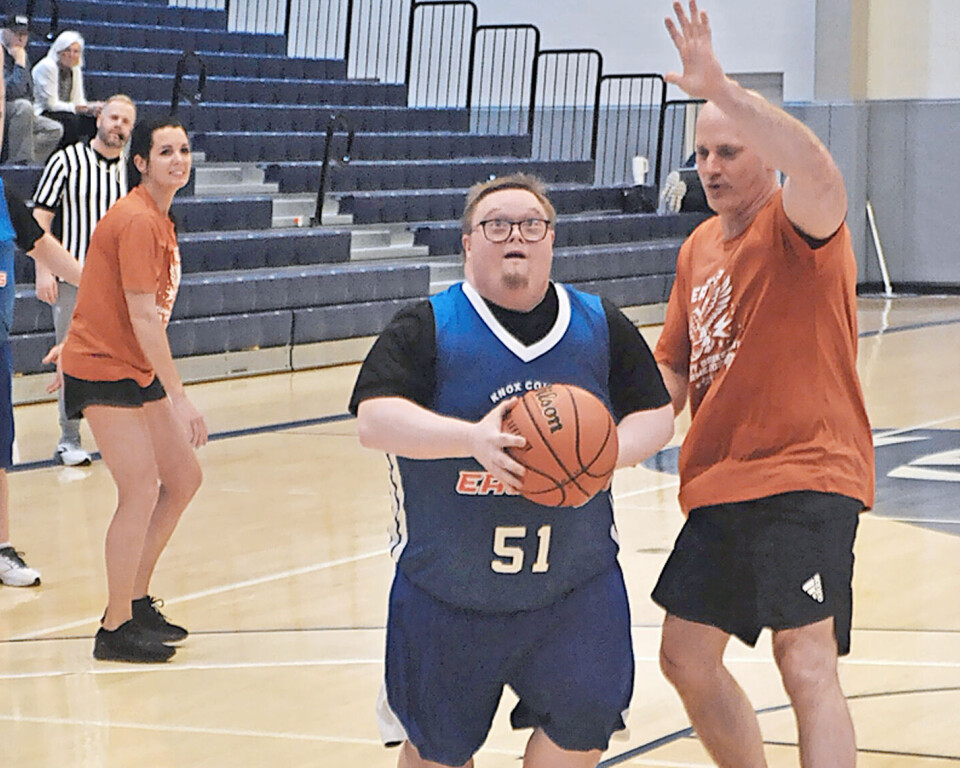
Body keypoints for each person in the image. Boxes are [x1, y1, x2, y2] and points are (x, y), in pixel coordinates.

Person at [350, 173, 675, 768]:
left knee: (578, 738)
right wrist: (470, 438)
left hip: (573, 589)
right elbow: (374, 419)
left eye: (531, 224)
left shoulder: (599, 323)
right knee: (436, 753)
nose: (515, 236)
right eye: (496, 225)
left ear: (551, 240)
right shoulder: (427, 325)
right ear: (468, 243)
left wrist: (607, 456)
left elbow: (657, 416)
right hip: (448, 593)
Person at [650, 4, 875, 768]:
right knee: (684, 656)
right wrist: (609, 435)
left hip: (807, 470)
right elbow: (674, 367)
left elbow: (818, 168)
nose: (711, 167)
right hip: (721, 480)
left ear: (765, 153)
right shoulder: (697, 250)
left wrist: (724, 88)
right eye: (703, 152)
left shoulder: (800, 221)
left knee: (805, 658)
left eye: (730, 150)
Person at [48, 116, 206, 662]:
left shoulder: (161, 218)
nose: (178, 159)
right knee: (139, 489)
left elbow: (101, 284)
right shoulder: (137, 219)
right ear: (140, 163)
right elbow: (143, 315)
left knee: (183, 477)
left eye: (184, 150)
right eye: (165, 151)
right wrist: (180, 395)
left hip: (132, 364)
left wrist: (74, 333)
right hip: (106, 368)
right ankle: (114, 629)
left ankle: (135, 600)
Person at [0, 75, 84, 586]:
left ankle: (2, 546)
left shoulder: (4, 195)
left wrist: (104, 288)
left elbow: (46, 250)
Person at [32, 93, 136, 466]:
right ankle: (69, 438)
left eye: (126, 121)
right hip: (73, 277)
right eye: (113, 118)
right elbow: (39, 219)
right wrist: (44, 269)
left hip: (120, 283)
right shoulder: (67, 160)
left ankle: (117, 435)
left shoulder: (133, 171)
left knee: (119, 360)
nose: (118, 126)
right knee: (72, 358)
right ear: (98, 119)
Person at [1, 13, 61, 163]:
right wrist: (19, 64)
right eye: (17, 34)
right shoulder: (5, 52)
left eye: (25, 35)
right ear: (5, 31)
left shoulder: (19, 51)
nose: (21, 39)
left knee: (54, 129)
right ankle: (19, 163)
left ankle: (27, 162)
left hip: (20, 109)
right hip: (3, 107)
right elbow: (10, 91)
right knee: (24, 107)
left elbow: (28, 90)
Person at [31, 30, 101, 149]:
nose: (71, 55)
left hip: (66, 111)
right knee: (70, 121)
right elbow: (51, 105)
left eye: (76, 51)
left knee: (97, 120)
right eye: (67, 50)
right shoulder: (48, 66)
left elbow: (78, 100)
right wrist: (76, 108)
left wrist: (91, 108)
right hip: (43, 111)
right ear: (59, 51)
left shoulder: (75, 70)